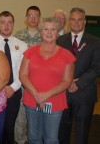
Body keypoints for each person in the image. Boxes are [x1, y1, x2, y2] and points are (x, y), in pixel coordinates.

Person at [19, 17, 75, 144]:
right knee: (33, 137)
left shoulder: (67, 55)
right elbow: (23, 75)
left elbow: (67, 81)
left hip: (54, 103)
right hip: (32, 100)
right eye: (46, 29)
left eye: (53, 29)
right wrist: (37, 95)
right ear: (41, 32)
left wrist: (45, 95)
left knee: (51, 139)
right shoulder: (30, 52)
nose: (49, 33)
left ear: (58, 32)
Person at [57, 8, 100, 144]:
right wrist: (67, 82)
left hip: (84, 93)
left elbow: (96, 68)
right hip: (63, 93)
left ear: (85, 21)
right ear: (69, 21)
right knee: (62, 131)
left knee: (82, 133)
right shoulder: (60, 41)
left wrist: (78, 83)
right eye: (73, 19)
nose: (76, 23)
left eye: (79, 19)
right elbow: (57, 66)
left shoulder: (95, 42)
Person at [0, 11, 27, 144]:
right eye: (3, 22)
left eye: (9, 23)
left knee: (9, 126)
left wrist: (13, 87)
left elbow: (23, 71)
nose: (6, 26)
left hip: (14, 91)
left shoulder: (22, 45)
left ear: (13, 24)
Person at [14, 5, 42, 144]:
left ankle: (35, 139)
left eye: (36, 15)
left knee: (37, 113)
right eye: (30, 15)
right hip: (21, 82)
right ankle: (19, 140)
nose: (33, 18)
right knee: (20, 114)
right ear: (26, 18)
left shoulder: (45, 36)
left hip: (39, 83)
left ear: (39, 18)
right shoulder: (18, 36)